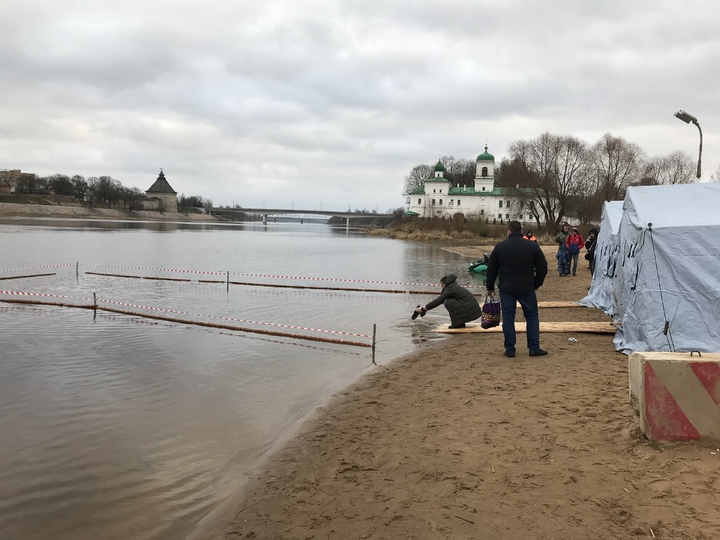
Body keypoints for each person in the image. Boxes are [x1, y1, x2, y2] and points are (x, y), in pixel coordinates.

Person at [485, 220, 548, 358]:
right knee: (531, 317)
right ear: (521, 230)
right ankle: (533, 348)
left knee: (508, 318)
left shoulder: (500, 247)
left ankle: (510, 349)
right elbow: (543, 267)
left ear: (508, 231)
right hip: (526, 287)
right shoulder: (532, 246)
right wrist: (537, 283)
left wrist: (490, 287)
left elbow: (492, 269)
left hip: (507, 288)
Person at [415, 274, 482, 329]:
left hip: (470, 309)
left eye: (442, 286)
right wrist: (426, 308)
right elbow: (439, 300)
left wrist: (423, 308)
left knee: (448, 302)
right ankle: (460, 323)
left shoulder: (450, 289)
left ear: (445, 283)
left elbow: (438, 300)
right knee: (447, 301)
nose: (442, 288)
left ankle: (457, 324)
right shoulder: (453, 286)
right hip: (473, 310)